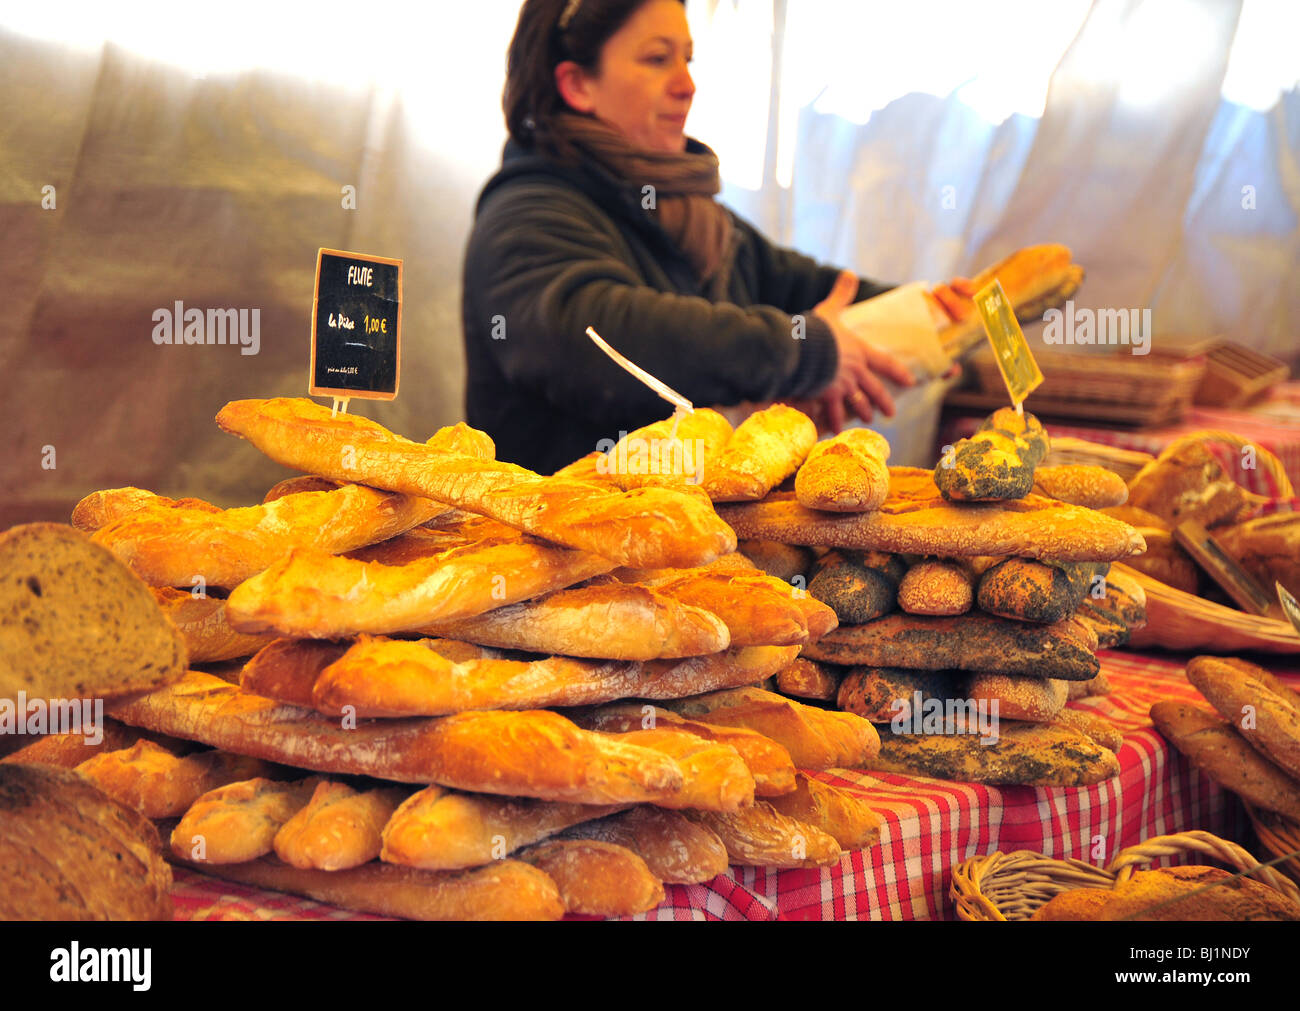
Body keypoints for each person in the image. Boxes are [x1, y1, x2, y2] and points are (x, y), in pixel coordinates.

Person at [462, 0, 928, 475]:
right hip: (570, 538)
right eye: (657, 59)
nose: (687, 86)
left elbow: (803, 286)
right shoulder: (525, 215)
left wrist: (929, 311)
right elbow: (602, 337)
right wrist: (804, 352)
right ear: (578, 85)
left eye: (687, 58)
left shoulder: (697, 218)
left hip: (700, 536)